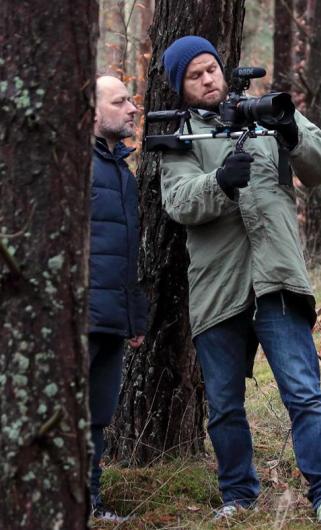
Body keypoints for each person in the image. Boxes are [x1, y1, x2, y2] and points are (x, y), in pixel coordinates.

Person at [159, 36, 321, 524]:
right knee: (223, 404)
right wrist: (219, 182)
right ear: (181, 86)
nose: (208, 79)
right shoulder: (179, 138)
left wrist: (290, 130)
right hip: (218, 286)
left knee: (304, 393)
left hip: (277, 277)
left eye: (211, 69)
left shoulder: (268, 113)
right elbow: (177, 203)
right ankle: (239, 497)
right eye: (194, 75)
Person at [89, 75, 148, 522]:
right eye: (120, 101)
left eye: (131, 100)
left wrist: (135, 317)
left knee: (98, 415)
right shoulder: (75, 166)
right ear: (92, 113)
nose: (132, 108)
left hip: (112, 318)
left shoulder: (122, 172)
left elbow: (126, 252)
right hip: (79, 320)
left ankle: (89, 501)